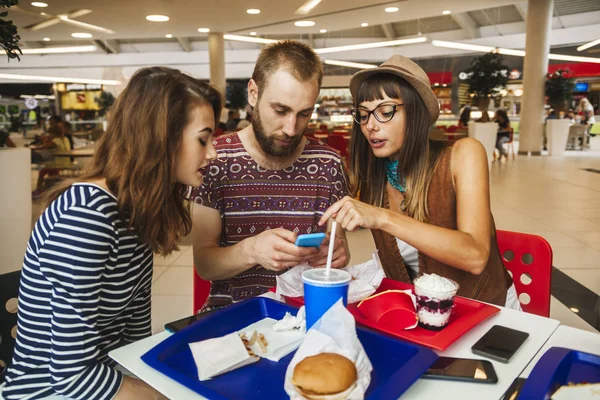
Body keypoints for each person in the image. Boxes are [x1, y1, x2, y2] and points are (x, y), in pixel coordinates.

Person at [1, 67, 222, 400]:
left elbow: (132, 341)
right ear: (161, 137)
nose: (212, 153)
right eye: (203, 139)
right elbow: (71, 377)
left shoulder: (139, 211)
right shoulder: (86, 217)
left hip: (105, 378)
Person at [318, 55, 519, 309]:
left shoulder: (463, 154)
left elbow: (475, 256)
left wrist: (383, 217)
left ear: (416, 113)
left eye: (385, 112)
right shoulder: (373, 177)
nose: (370, 125)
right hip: (419, 313)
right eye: (364, 114)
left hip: (484, 311)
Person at [188, 40, 350, 311]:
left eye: (304, 113)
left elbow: (336, 243)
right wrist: (251, 251)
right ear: (253, 93)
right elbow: (205, 265)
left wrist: (336, 254)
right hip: (231, 318)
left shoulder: (328, 164)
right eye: (280, 110)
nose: (291, 128)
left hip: (303, 314)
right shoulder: (215, 160)